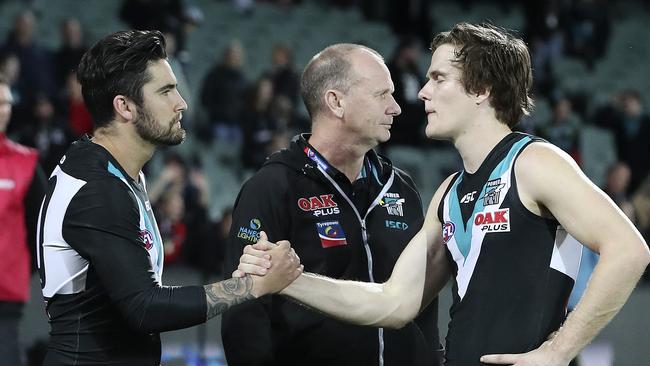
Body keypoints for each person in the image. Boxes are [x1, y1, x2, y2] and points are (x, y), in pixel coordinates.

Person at [236, 23, 650, 366]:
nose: (421, 93)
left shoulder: (534, 161)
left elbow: (629, 250)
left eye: (439, 78)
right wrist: (287, 280)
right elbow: (392, 303)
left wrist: (559, 352)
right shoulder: (448, 192)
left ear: (482, 88)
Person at [35, 30, 301, 366]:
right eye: (166, 91)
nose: (182, 103)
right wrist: (252, 286)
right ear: (125, 107)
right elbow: (146, 307)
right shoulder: (98, 188)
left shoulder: (113, 172)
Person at [222, 43, 442, 366]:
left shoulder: (402, 189)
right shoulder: (272, 187)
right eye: (382, 95)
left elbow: (424, 304)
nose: (395, 107)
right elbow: (243, 312)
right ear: (336, 102)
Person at [0, 74, 45, 366]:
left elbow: (40, 227)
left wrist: (21, 266)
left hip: (5, 295)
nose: (4, 108)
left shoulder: (25, 163)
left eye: (6, 102)